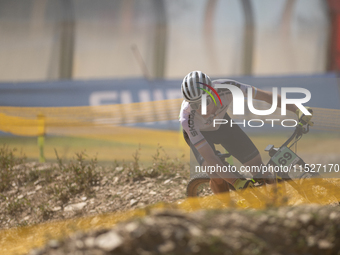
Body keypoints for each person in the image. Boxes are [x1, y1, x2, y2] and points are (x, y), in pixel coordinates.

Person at [179, 71, 313, 194]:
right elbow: (210, 158)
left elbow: (265, 96)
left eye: (205, 102)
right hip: (200, 133)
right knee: (216, 174)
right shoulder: (187, 117)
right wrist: (235, 181)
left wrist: (297, 109)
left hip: (221, 124)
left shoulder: (227, 87)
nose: (201, 109)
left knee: (259, 169)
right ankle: (224, 210)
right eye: (195, 105)